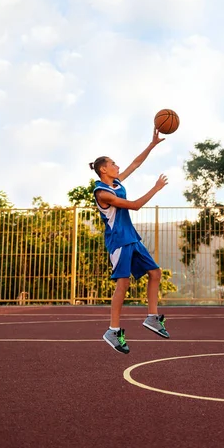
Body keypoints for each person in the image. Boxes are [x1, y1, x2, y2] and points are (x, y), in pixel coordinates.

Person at [89, 129, 169, 355]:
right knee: (123, 285)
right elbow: (134, 205)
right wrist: (155, 188)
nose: (118, 166)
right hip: (118, 242)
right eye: (113, 163)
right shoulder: (102, 192)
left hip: (131, 237)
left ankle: (152, 318)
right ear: (103, 169)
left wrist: (152, 144)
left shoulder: (116, 183)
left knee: (155, 273)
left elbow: (135, 164)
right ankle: (113, 330)